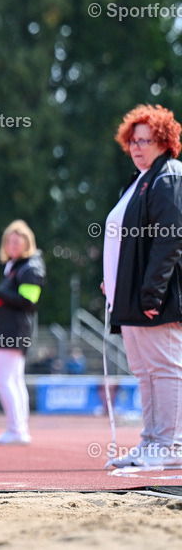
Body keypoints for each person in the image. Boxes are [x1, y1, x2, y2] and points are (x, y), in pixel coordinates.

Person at [103, 104, 182, 468]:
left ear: (164, 141)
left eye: (146, 141)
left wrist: (152, 292)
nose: (137, 147)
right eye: (133, 141)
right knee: (144, 371)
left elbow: (170, 240)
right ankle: (152, 441)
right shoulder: (140, 180)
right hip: (129, 296)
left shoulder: (168, 177)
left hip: (154, 298)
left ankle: (171, 446)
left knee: (164, 368)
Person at [0, 220, 45, 446]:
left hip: (14, 331)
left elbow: (28, 301)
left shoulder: (30, 267)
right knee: (14, 380)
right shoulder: (15, 266)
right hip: (10, 328)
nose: (11, 245)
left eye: (16, 241)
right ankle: (19, 428)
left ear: (27, 242)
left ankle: (17, 429)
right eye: (8, 241)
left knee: (3, 379)